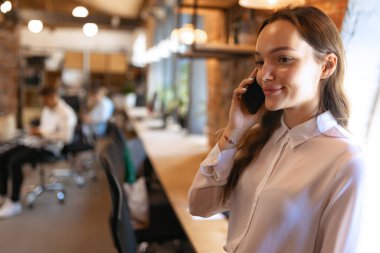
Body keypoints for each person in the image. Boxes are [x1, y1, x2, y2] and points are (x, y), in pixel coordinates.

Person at [188, 6, 365, 253]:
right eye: (260, 61)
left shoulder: (346, 161)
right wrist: (234, 131)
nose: (265, 75)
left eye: (283, 59)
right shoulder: (260, 137)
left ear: (326, 66)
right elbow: (199, 206)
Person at [0, 86, 77, 218]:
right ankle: (2, 195)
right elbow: (44, 127)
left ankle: (14, 203)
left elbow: (66, 138)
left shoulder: (66, 113)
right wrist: (35, 131)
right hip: (36, 142)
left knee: (15, 162)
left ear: (53, 97)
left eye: (45, 101)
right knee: (2, 156)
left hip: (50, 149)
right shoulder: (47, 109)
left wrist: (42, 133)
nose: (43, 104)